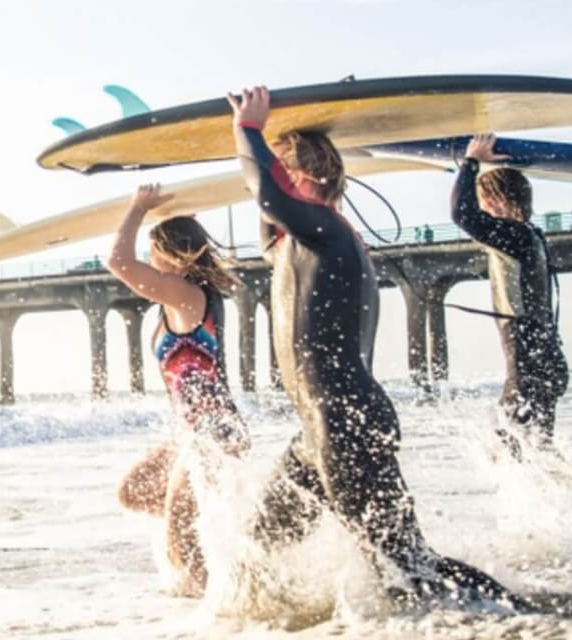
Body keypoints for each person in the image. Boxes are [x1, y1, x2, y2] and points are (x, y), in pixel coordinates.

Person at [228, 86, 525, 607]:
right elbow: (269, 218)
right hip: (319, 430)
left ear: (301, 178)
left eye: (282, 169)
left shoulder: (328, 232)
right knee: (261, 545)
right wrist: (259, 153)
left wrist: (248, 131)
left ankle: (525, 617)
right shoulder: (304, 243)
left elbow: (269, 196)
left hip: (343, 422)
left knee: (404, 564)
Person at [108, 185, 251, 595]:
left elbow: (117, 261)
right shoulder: (173, 301)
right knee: (133, 492)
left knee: (181, 546)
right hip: (189, 435)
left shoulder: (188, 295)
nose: (148, 260)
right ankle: (221, 542)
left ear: (171, 254)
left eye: (154, 250)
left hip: (214, 434)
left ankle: (226, 611)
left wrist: (137, 207)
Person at [453, 134, 572, 484]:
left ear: (495, 199)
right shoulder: (529, 236)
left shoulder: (515, 235)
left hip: (529, 361)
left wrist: (470, 162)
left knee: (513, 448)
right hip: (543, 360)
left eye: (483, 201)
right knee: (523, 447)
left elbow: (461, 214)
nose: (481, 211)